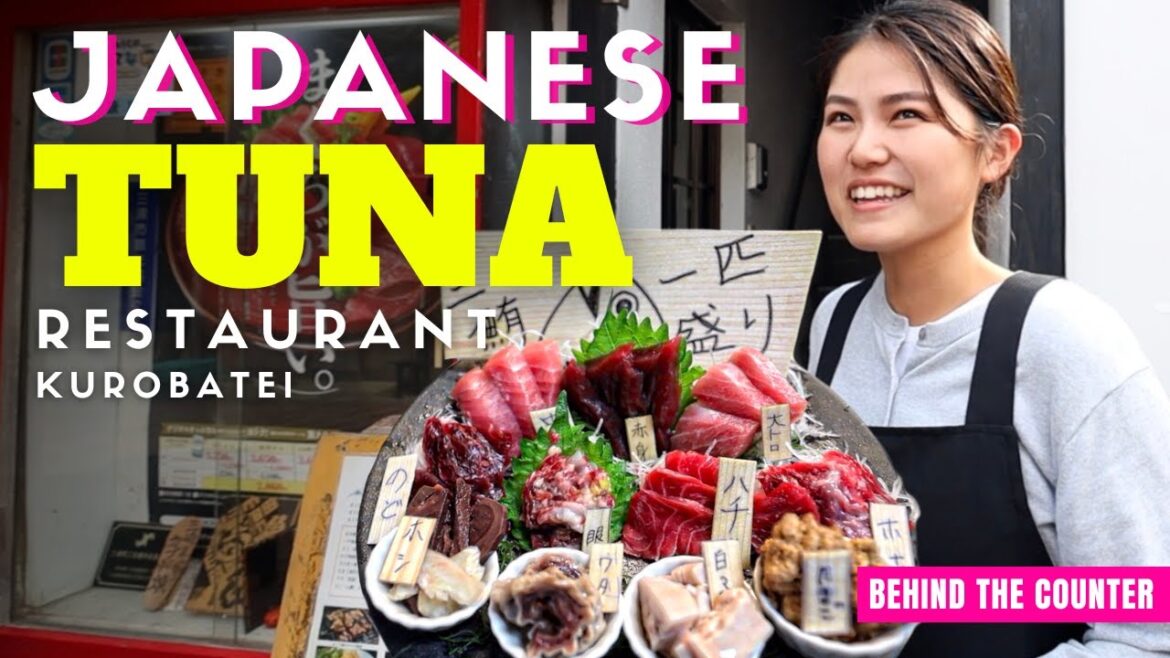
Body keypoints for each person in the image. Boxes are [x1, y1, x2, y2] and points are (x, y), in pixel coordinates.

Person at [806, 1, 1170, 656]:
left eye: (906, 114)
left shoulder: (1065, 338)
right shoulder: (833, 323)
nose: (863, 149)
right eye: (841, 118)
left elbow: (1146, 630)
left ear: (995, 152)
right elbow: (834, 589)